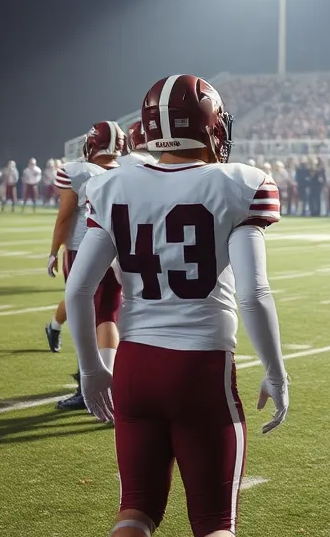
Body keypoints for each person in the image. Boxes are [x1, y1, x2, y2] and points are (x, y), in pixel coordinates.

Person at [64, 74, 289, 537]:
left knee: (135, 511)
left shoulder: (114, 184)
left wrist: (90, 368)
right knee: (213, 523)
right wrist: (276, 371)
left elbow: (78, 290)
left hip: (134, 365)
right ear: (210, 127)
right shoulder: (238, 183)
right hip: (200, 368)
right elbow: (254, 292)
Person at [44, 121, 125, 411]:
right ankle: (110, 383)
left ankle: (87, 385)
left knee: (85, 314)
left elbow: (65, 216)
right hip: (121, 252)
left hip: (84, 250)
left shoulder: (76, 171)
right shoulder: (129, 172)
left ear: (92, 144)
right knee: (107, 315)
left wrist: (53, 250)